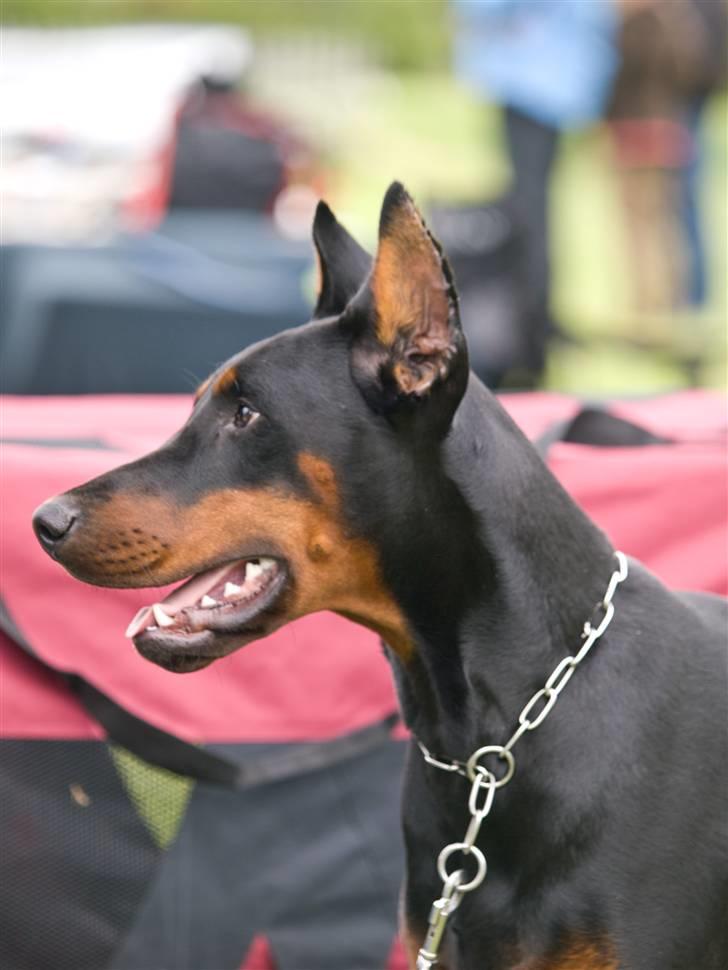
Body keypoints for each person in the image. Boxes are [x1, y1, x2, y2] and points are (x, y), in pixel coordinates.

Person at [452, 0, 619, 382]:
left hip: (532, 82)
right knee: (536, 208)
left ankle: (530, 335)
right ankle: (536, 326)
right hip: (562, 81)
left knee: (528, 212)